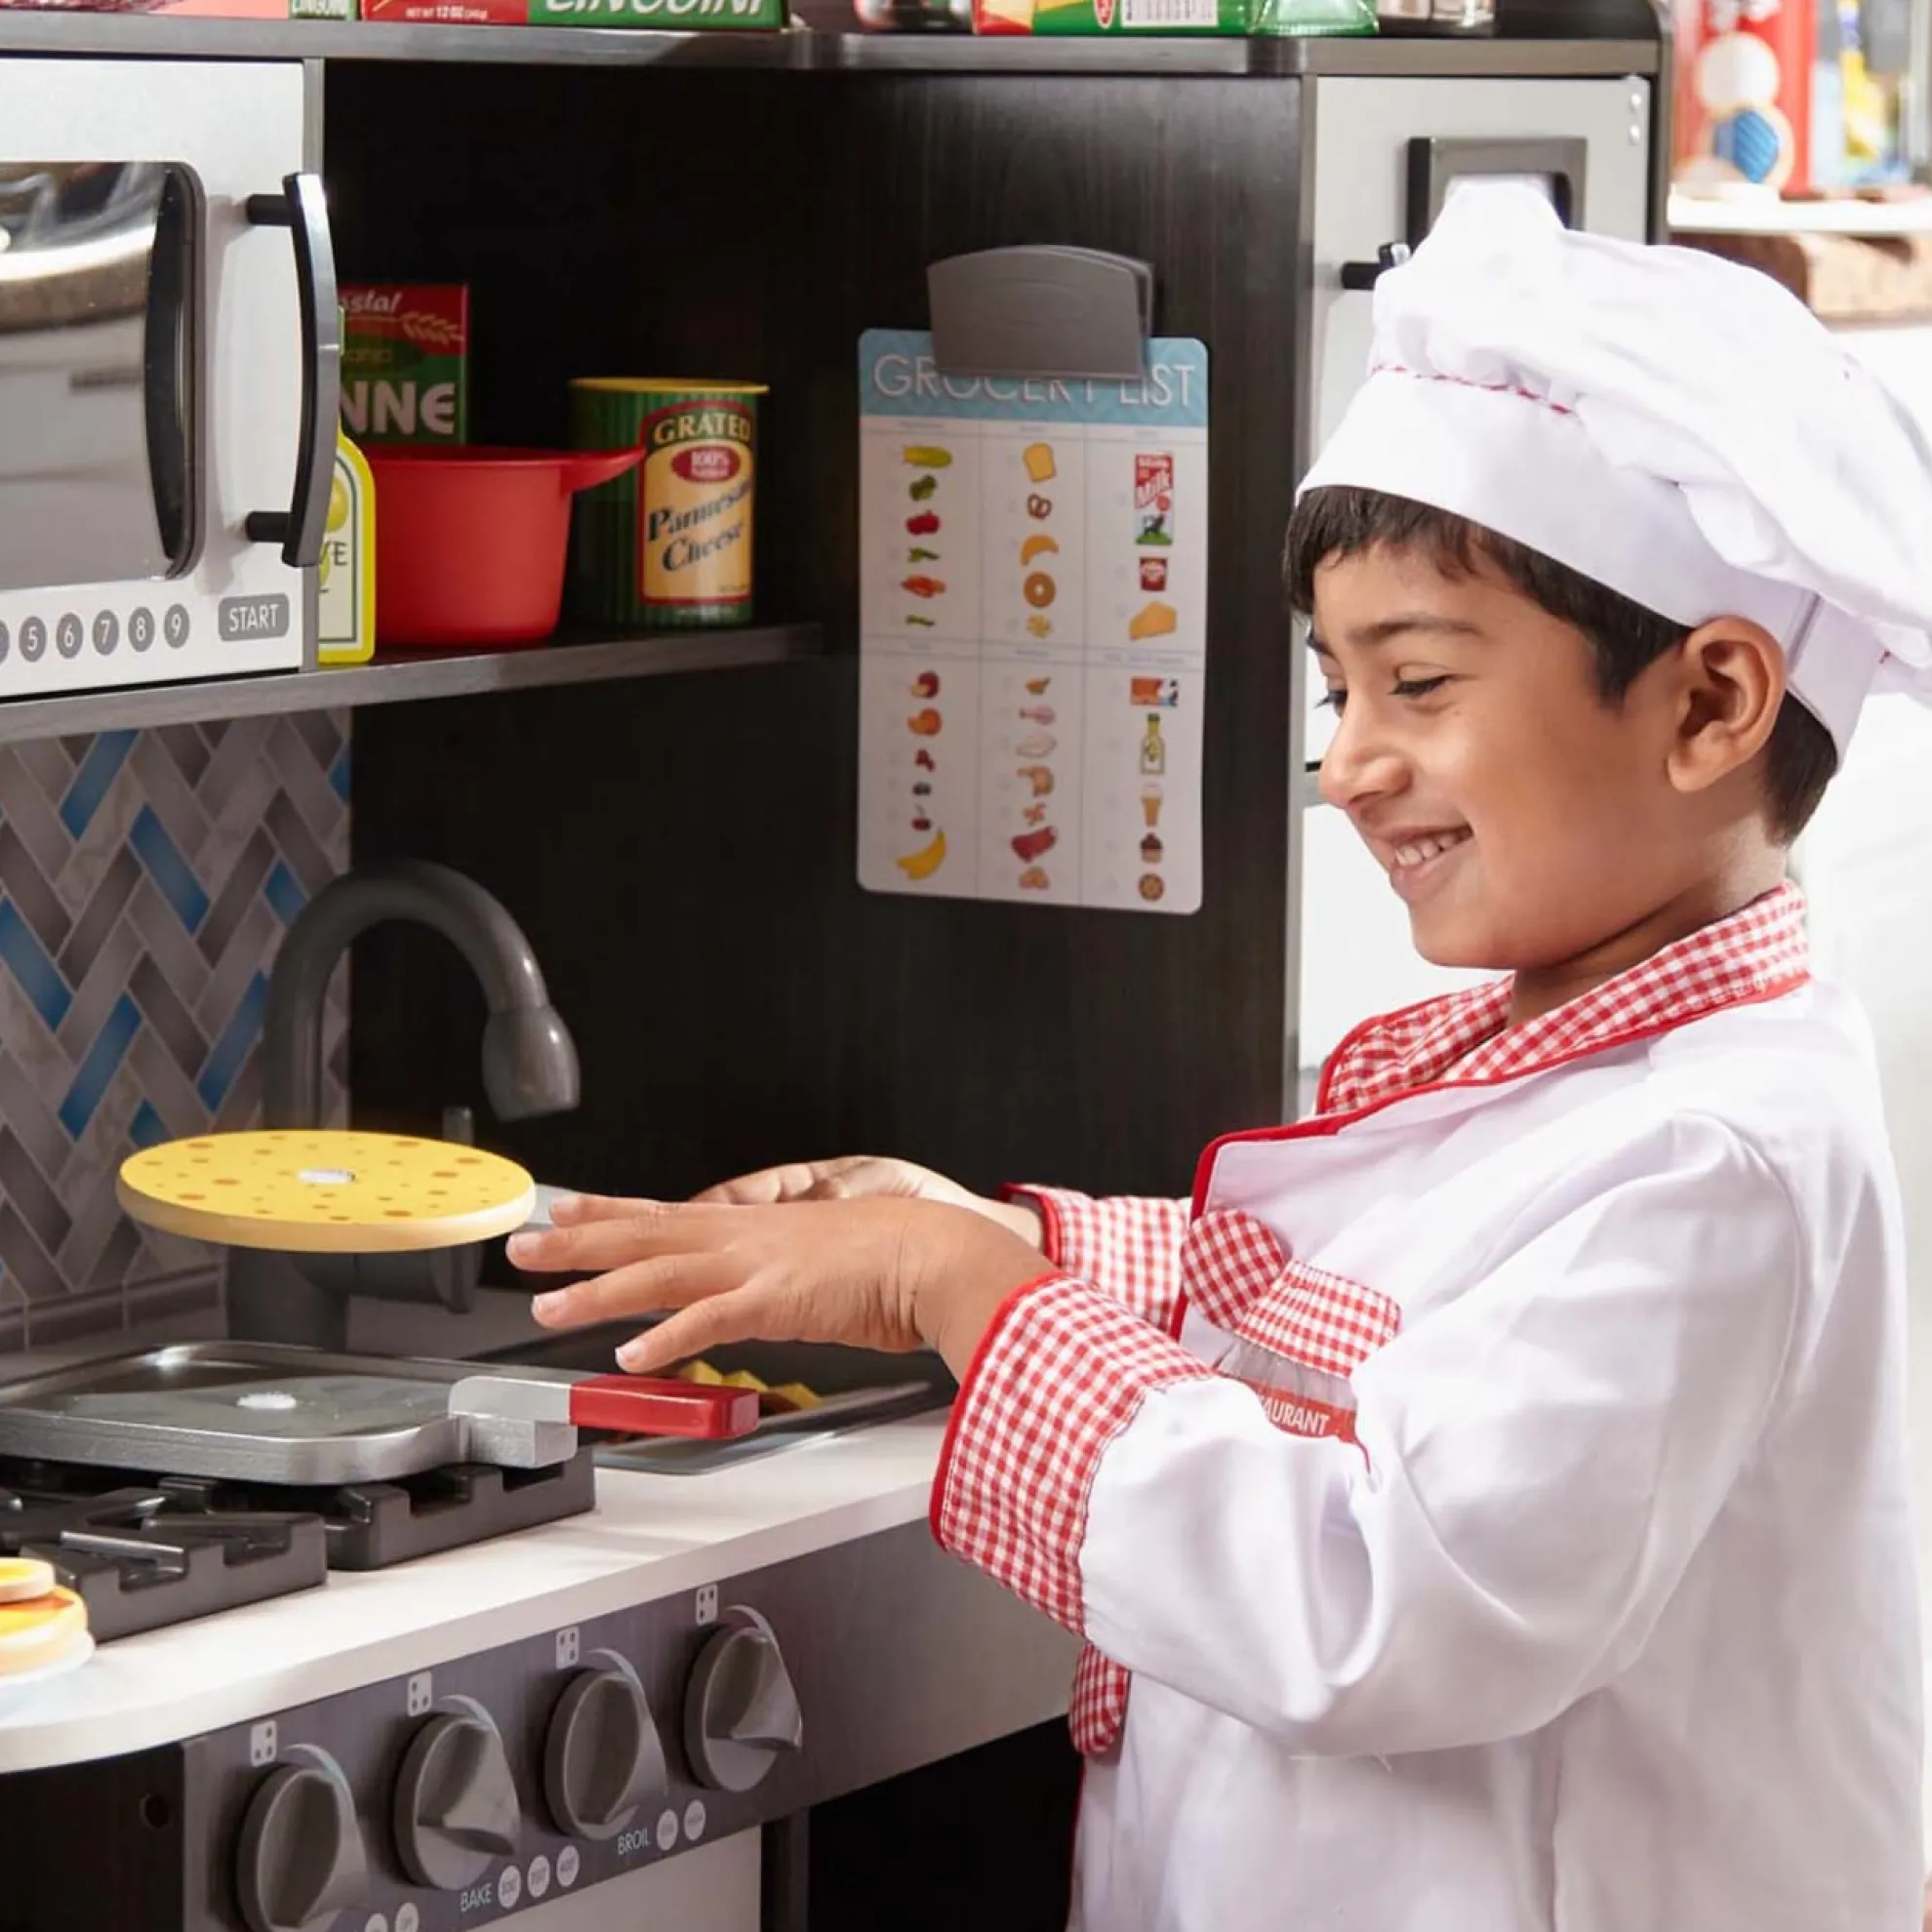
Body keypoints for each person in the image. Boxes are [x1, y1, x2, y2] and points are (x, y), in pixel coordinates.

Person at [507, 188, 1932, 1930]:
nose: (1348, 765)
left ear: (1710, 703)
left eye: (1416, 684)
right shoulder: (1575, 1053)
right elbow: (1376, 1323)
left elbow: (1380, 1606)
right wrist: (985, 1242)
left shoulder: (1718, 1154)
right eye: (1340, 693)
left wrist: (966, 1290)